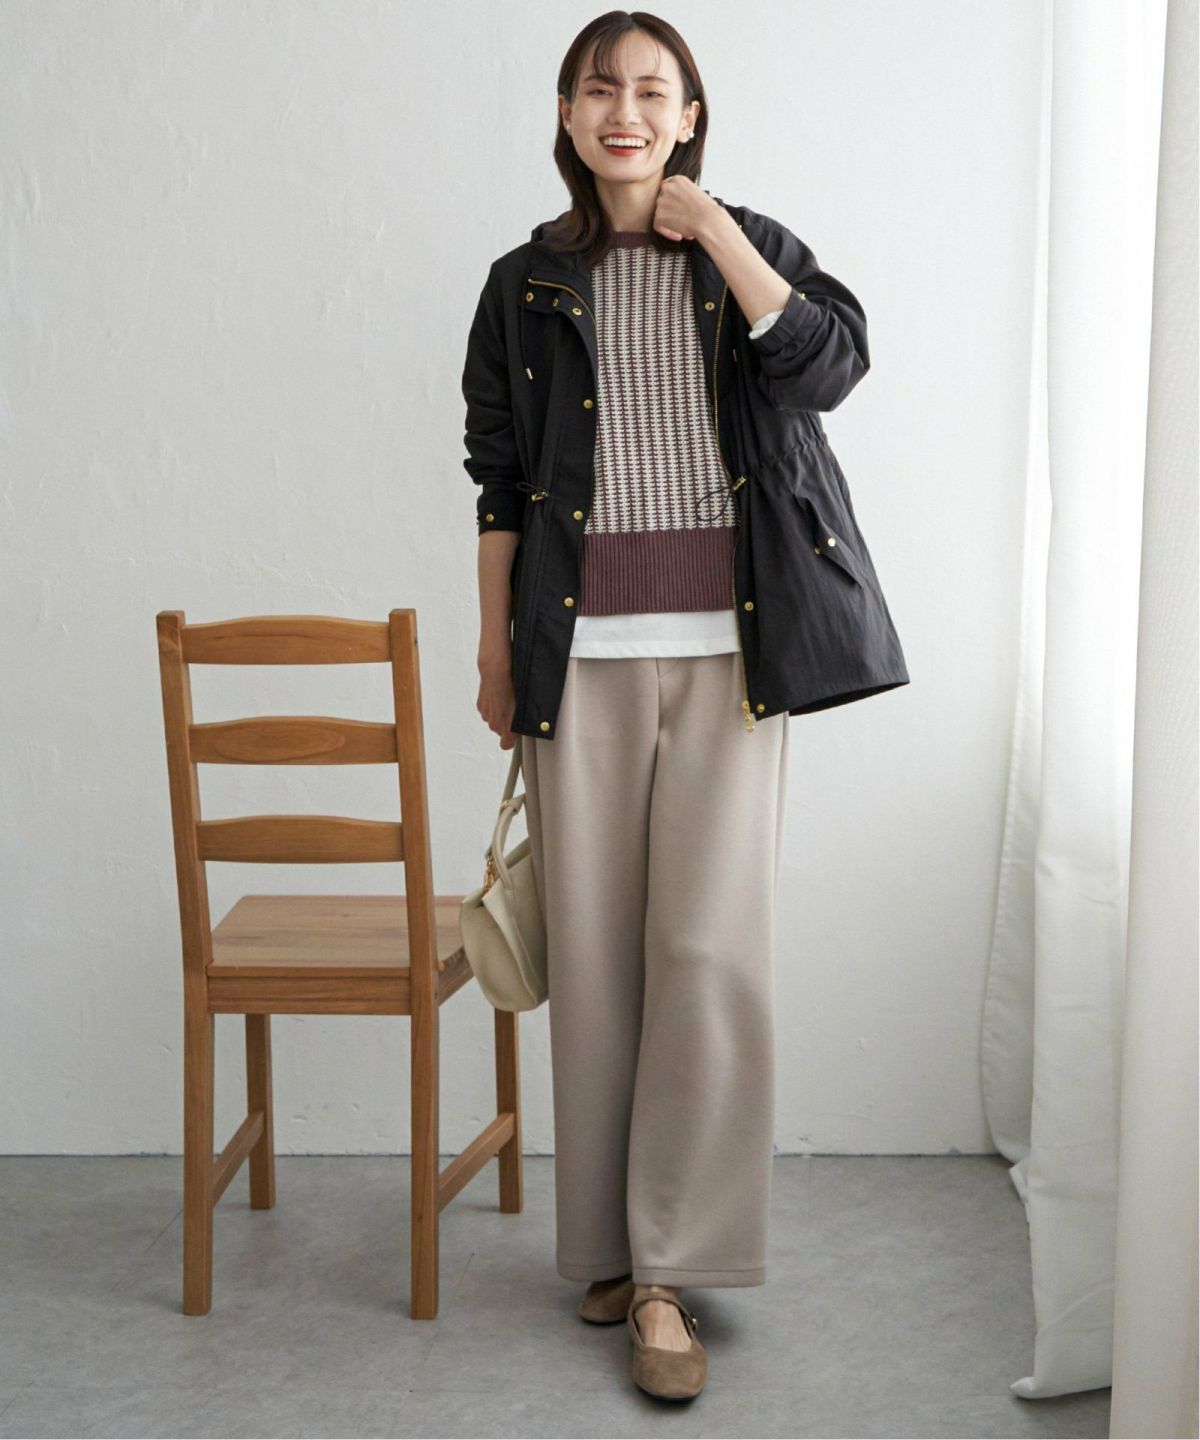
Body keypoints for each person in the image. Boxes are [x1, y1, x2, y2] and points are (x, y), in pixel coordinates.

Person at [462, 11, 905, 1402]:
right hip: (577, 654)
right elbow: (496, 478)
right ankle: (609, 1248)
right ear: (567, 111)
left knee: (706, 954)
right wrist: (496, 656)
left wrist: (714, 231)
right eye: (602, 89)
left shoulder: (746, 244)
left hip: (732, 652)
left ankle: (671, 1269)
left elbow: (829, 366)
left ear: (691, 116)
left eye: (654, 91)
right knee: (597, 959)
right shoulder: (524, 283)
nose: (627, 111)